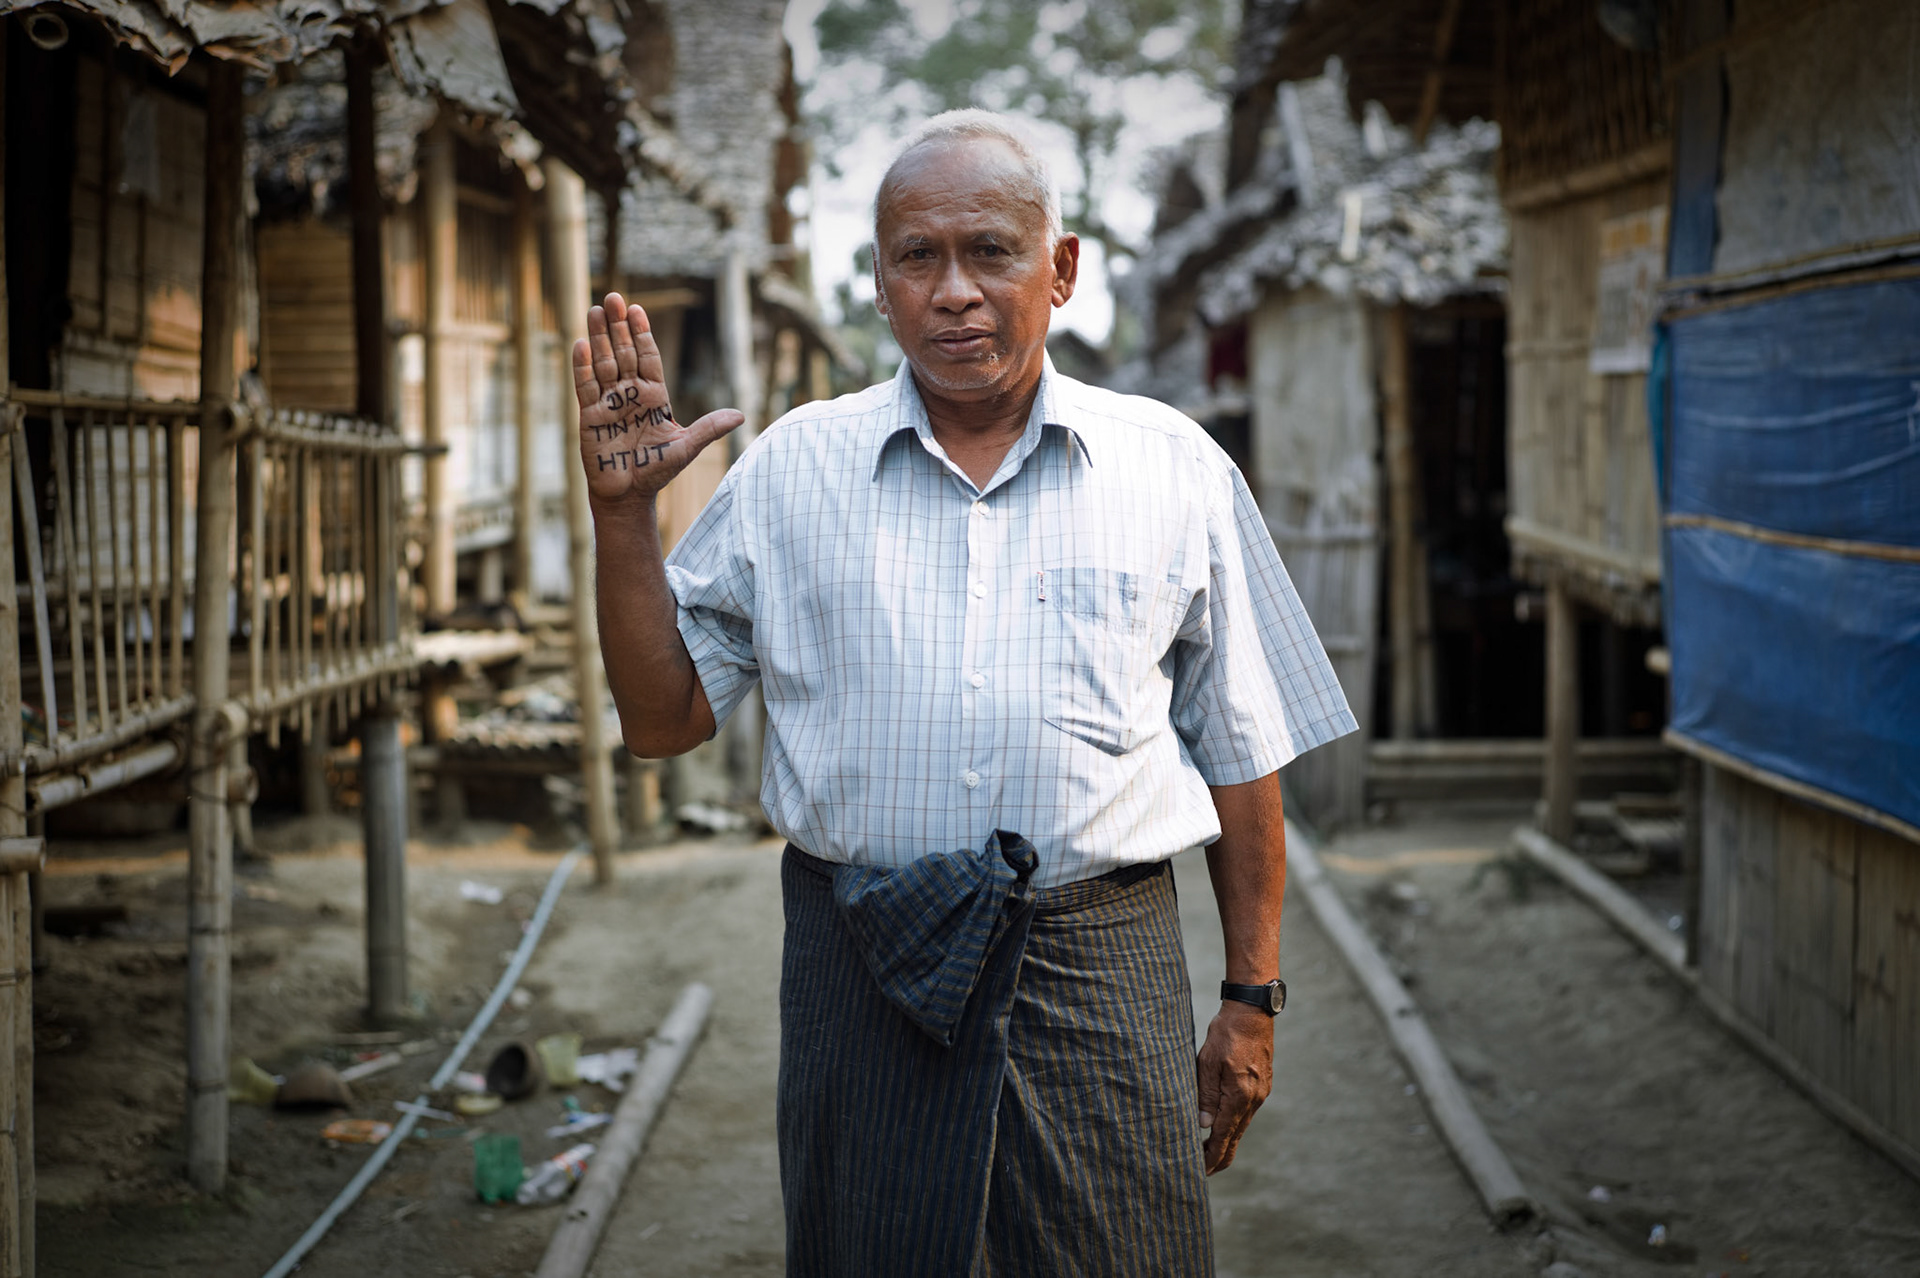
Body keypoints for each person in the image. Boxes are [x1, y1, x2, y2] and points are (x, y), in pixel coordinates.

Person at [572, 109, 1355, 1276]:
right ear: (878, 285)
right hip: (860, 961)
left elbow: (1244, 748)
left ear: (1063, 269)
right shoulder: (795, 471)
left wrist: (1253, 994)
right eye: (917, 257)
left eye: (991, 251)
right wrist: (625, 521)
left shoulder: (1170, 467)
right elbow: (661, 721)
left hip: (1098, 960)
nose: (955, 292)